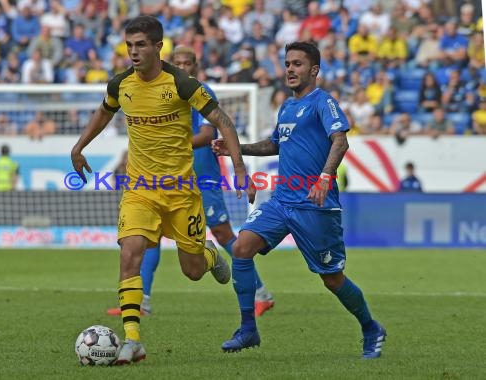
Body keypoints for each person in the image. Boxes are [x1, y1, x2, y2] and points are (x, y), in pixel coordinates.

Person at [70, 16, 255, 365]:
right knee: (130, 253)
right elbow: (103, 112)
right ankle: (133, 339)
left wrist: (240, 169)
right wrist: (78, 147)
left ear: (158, 46)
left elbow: (222, 122)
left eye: (141, 45)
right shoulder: (121, 85)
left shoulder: (182, 84)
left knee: (193, 270)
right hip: (140, 190)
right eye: (130, 45)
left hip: (182, 193)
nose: (134, 52)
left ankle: (211, 254)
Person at [213, 41, 386, 359]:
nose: (290, 69)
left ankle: (370, 327)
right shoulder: (287, 107)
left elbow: (340, 140)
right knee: (241, 248)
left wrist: (324, 178)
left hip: (315, 205)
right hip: (281, 201)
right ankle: (248, 329)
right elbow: (275, 144)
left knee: (332, 280)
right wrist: (236, 148)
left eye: (297, 64)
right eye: (287, 63)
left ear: (314, 70)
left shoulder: (323, 102)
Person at [106, 46, 274, 318]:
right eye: (179, 62)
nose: (183, 66)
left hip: (202, 177)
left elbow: (208, 134)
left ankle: (261, 292)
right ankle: (142, 302)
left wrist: (168, 144)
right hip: (167, 180)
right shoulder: (163, 90)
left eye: (188, 62)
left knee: (222, 235)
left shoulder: (196, 91)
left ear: (196, 66)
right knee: (151, 238)